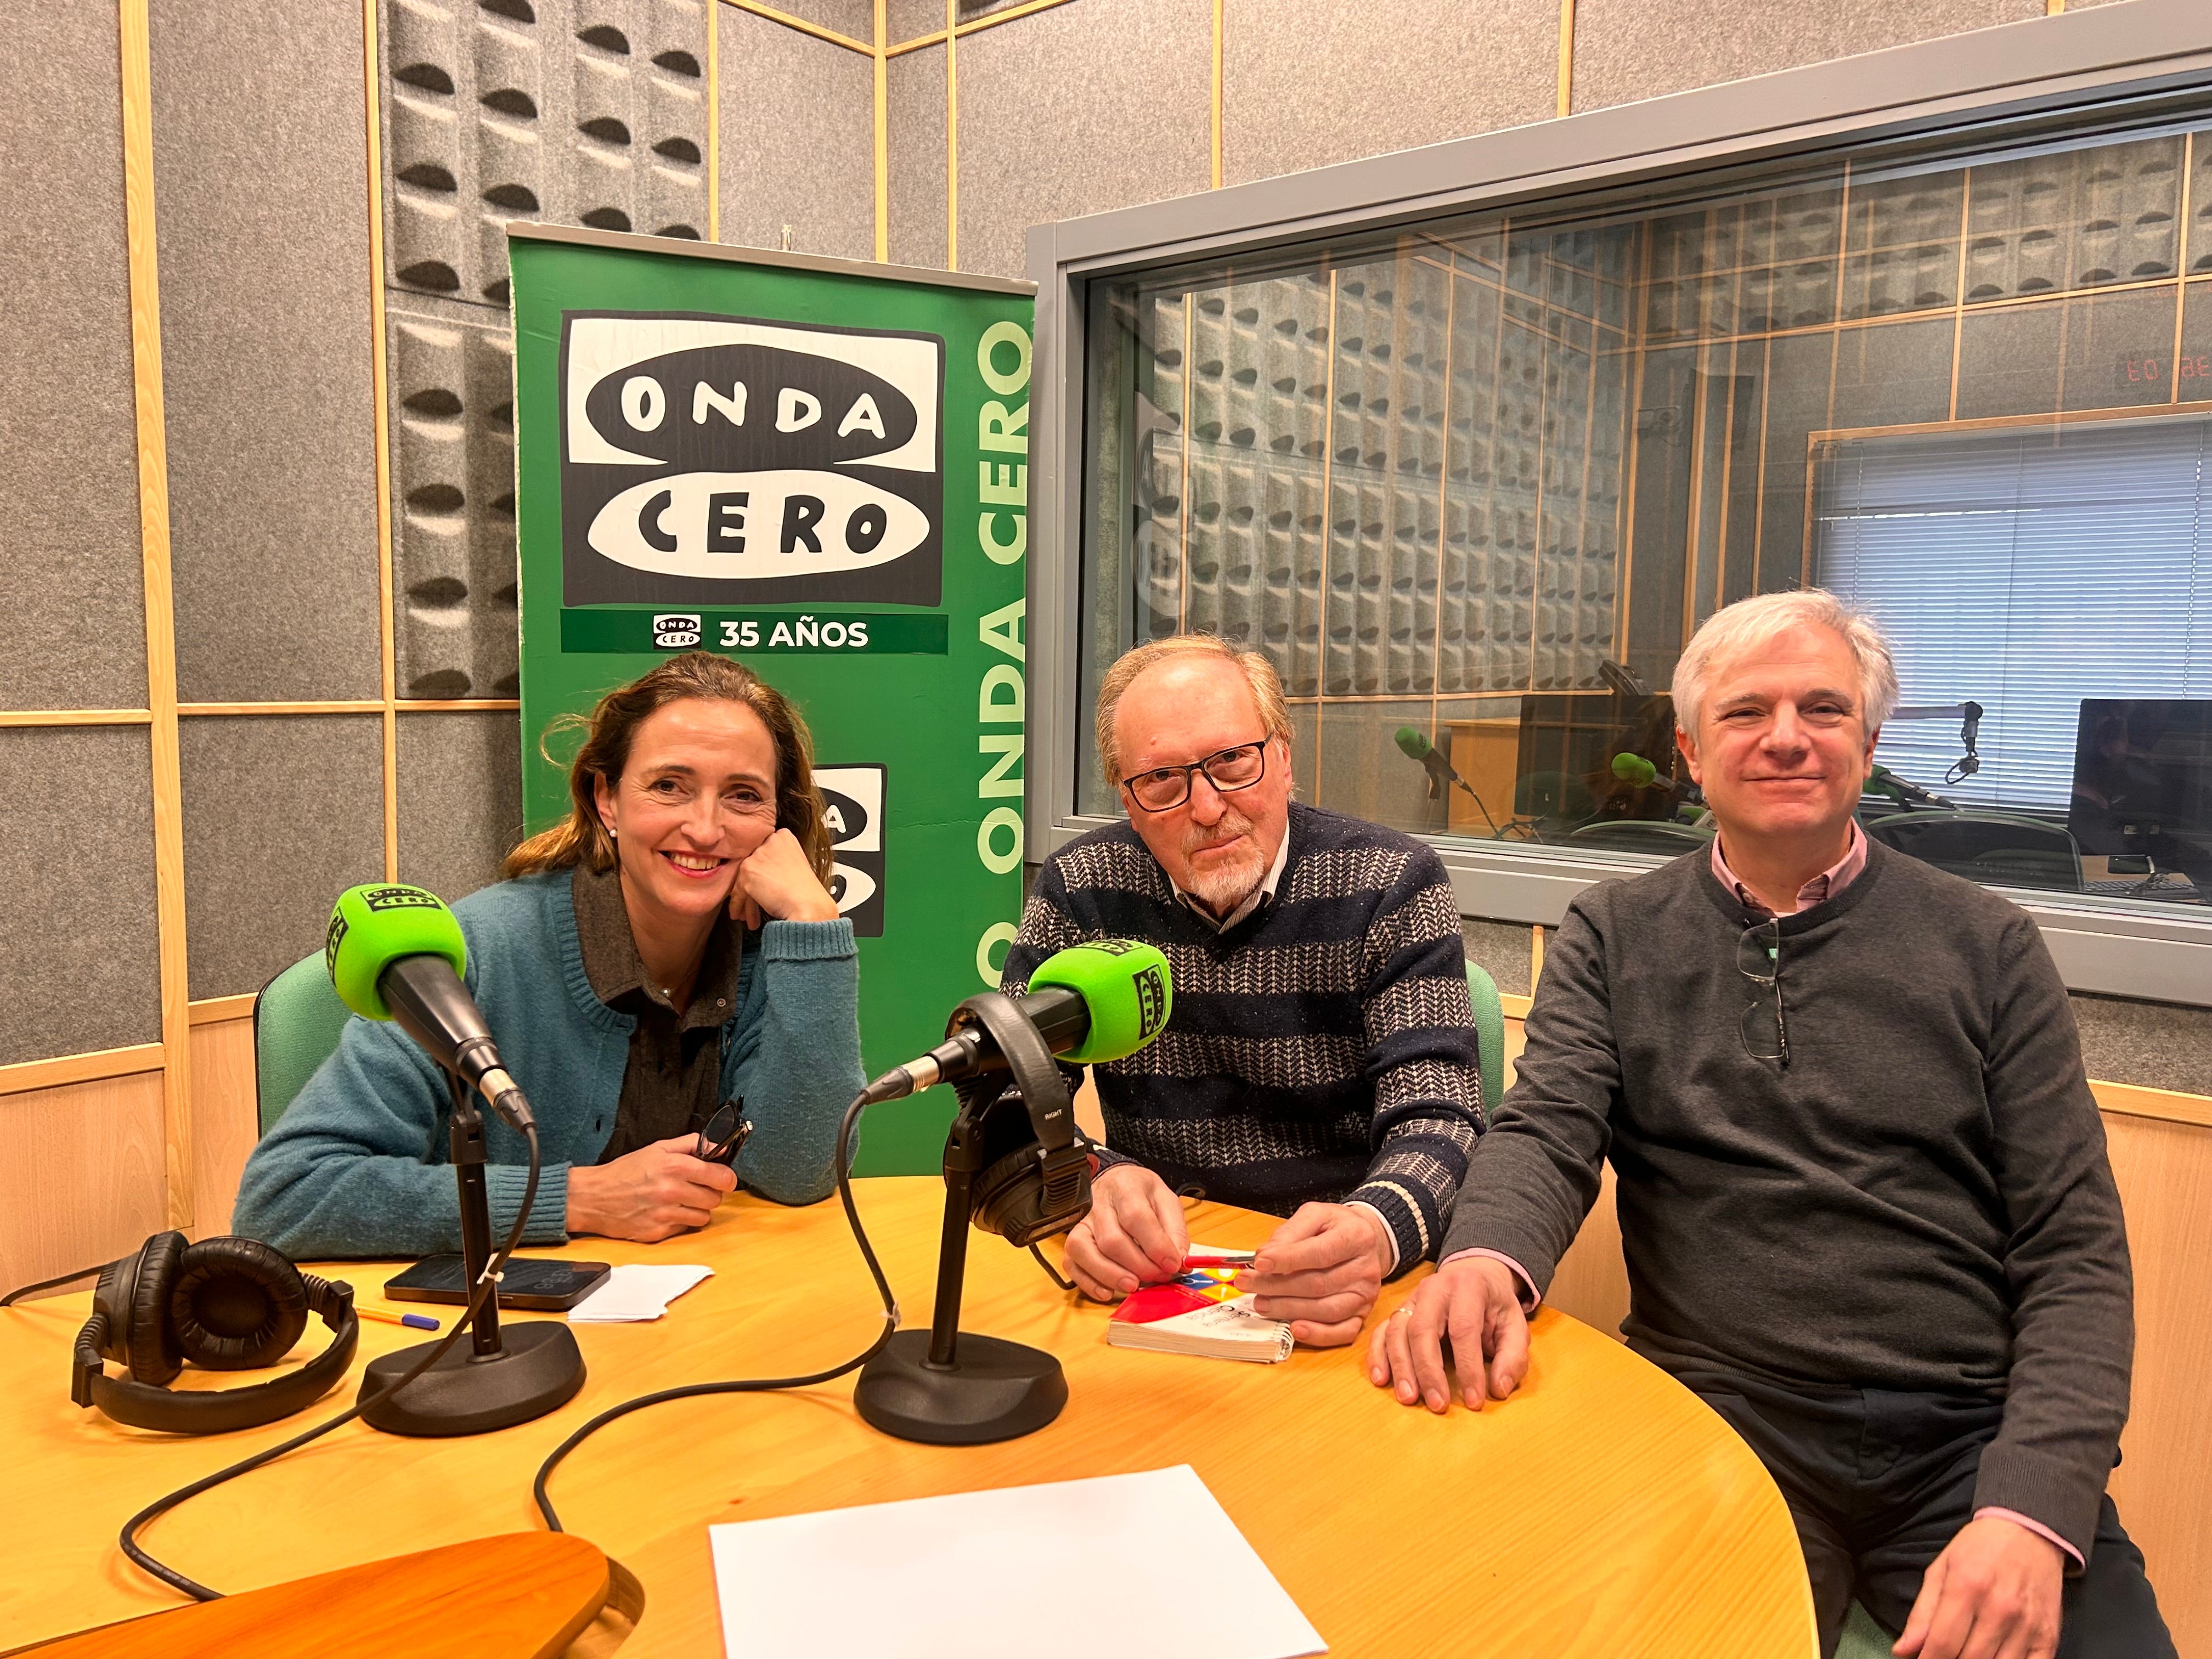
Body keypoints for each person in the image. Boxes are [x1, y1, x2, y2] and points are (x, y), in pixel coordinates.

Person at [1369, 591, 2170, 1659]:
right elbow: (1546, 1129)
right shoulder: (1614, 932)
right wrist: (1482, 1259)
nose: (1786, 736)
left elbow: (2074, 1249)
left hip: (1964, 1430)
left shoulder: (1990, 945)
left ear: (1869, 745)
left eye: (1822, 708)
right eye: (1747, 711)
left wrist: (2033, 1507)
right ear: (1691, 754)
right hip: (1720, 1414)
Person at [234, 651, 864, 1258]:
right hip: (494, 1315)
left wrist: (814, 924)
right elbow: (285, 1197)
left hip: (703, 1308)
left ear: (778, 817)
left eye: (744, 795)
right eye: (669, 786)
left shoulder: (769, 948)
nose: (705, 828)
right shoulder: (478, 952)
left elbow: (799, 1172)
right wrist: (575, 1199)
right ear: (606, 798)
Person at [1003, 634, 1485, 1347]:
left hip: (1345, 1290)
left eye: (1232, 761)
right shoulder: (1081, 889)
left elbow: (1442, 1119)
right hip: (1157, 1283)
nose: (1206, 807)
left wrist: (1373, 1227)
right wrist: (1089, 1181)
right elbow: (1010, 1099)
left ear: (1284, 759)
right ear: (1128, 801)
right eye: (1162, 780)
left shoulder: (1393, 883)